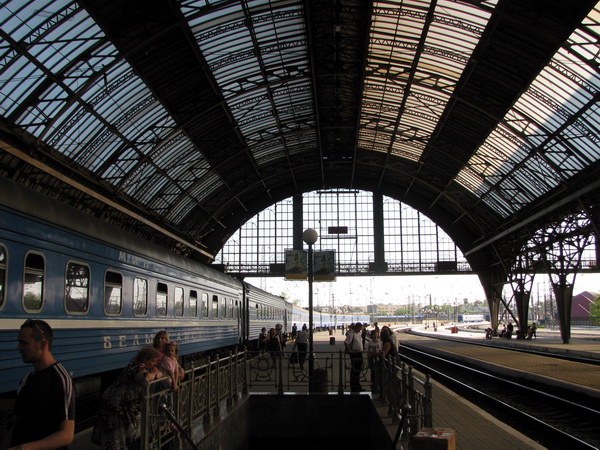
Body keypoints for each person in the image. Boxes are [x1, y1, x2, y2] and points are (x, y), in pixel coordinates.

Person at [3, 319, 75, 450]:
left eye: (24, 343)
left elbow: (66, 435)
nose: (19, 348)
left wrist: (25, 448)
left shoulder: (61, 379)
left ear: (43, 344)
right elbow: (15, 424)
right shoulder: (27, 379)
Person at [92, 346, 161, 449]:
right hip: (116, 407)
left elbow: (159, 373)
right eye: (153, 361)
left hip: (122, 407)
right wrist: (154, 373)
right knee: (114, 439)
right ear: (146, 359)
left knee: (123, 440)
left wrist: (155, 373)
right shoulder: (135, 367)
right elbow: (145, 378)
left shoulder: (141, 366)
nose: (154, 364)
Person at [344, 322, 364, 392]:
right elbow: (346, 342)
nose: (360, 330)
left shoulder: (358, 334)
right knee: (355, 370)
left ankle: (357, 385)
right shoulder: (351, 334)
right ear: (356, 327)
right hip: (354, 354)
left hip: (359, 353)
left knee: (358, 370)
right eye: (359, 329)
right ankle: (354, 386)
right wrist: (350, 351)